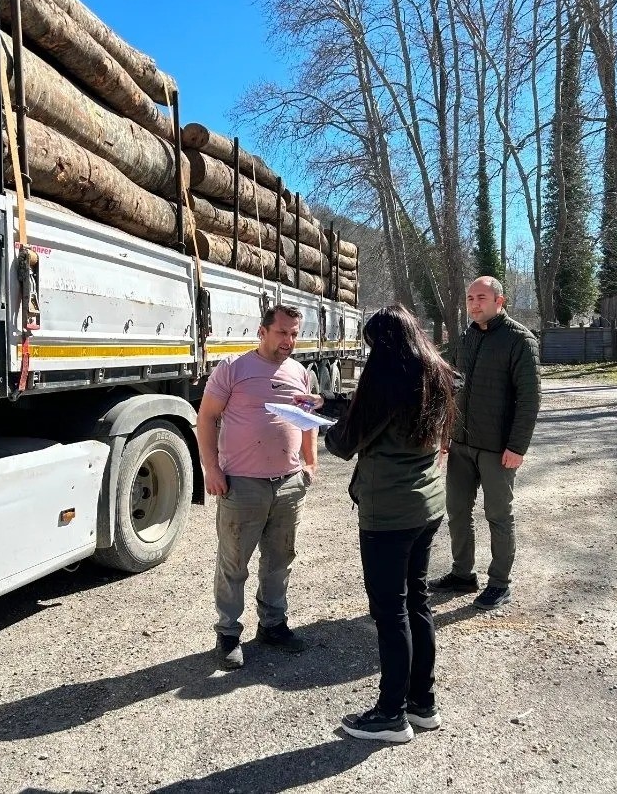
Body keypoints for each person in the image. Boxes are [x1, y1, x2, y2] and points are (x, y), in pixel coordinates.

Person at [325, 304, 455, 743]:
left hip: (388, 512)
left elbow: (344, 444)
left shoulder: (384, 378)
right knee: (416, 602)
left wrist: (327, 424)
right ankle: (423, 703)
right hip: (427, 505)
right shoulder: (434, 371)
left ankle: (390, 714)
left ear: (381, 343)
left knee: (390, 611)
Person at [197, 304, 322, 671]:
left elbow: (306, 418)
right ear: (262, 332)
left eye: (295, 333)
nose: (289, 340)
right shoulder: (233, 368)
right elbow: (206, 417)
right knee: (234, 563)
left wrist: (310, 462)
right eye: (282, 332)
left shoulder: (300, 372)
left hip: (287, 484)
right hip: (242, 485)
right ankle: (228, 634)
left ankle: (273, 625)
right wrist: (211, 468)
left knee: (280, 559)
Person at [429, 276, 541, 610]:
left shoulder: (521, 340)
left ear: (499, 301)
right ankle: (463, 574)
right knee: (457, 511)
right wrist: (447, 433)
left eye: (481, 297)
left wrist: (517, 447)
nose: (474, 304)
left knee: (498, 515)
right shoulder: (467, 337)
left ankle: (499, 583)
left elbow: (530, 399)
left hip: (497, 448)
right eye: (470, 298)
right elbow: (455, 391)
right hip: (462, 443)